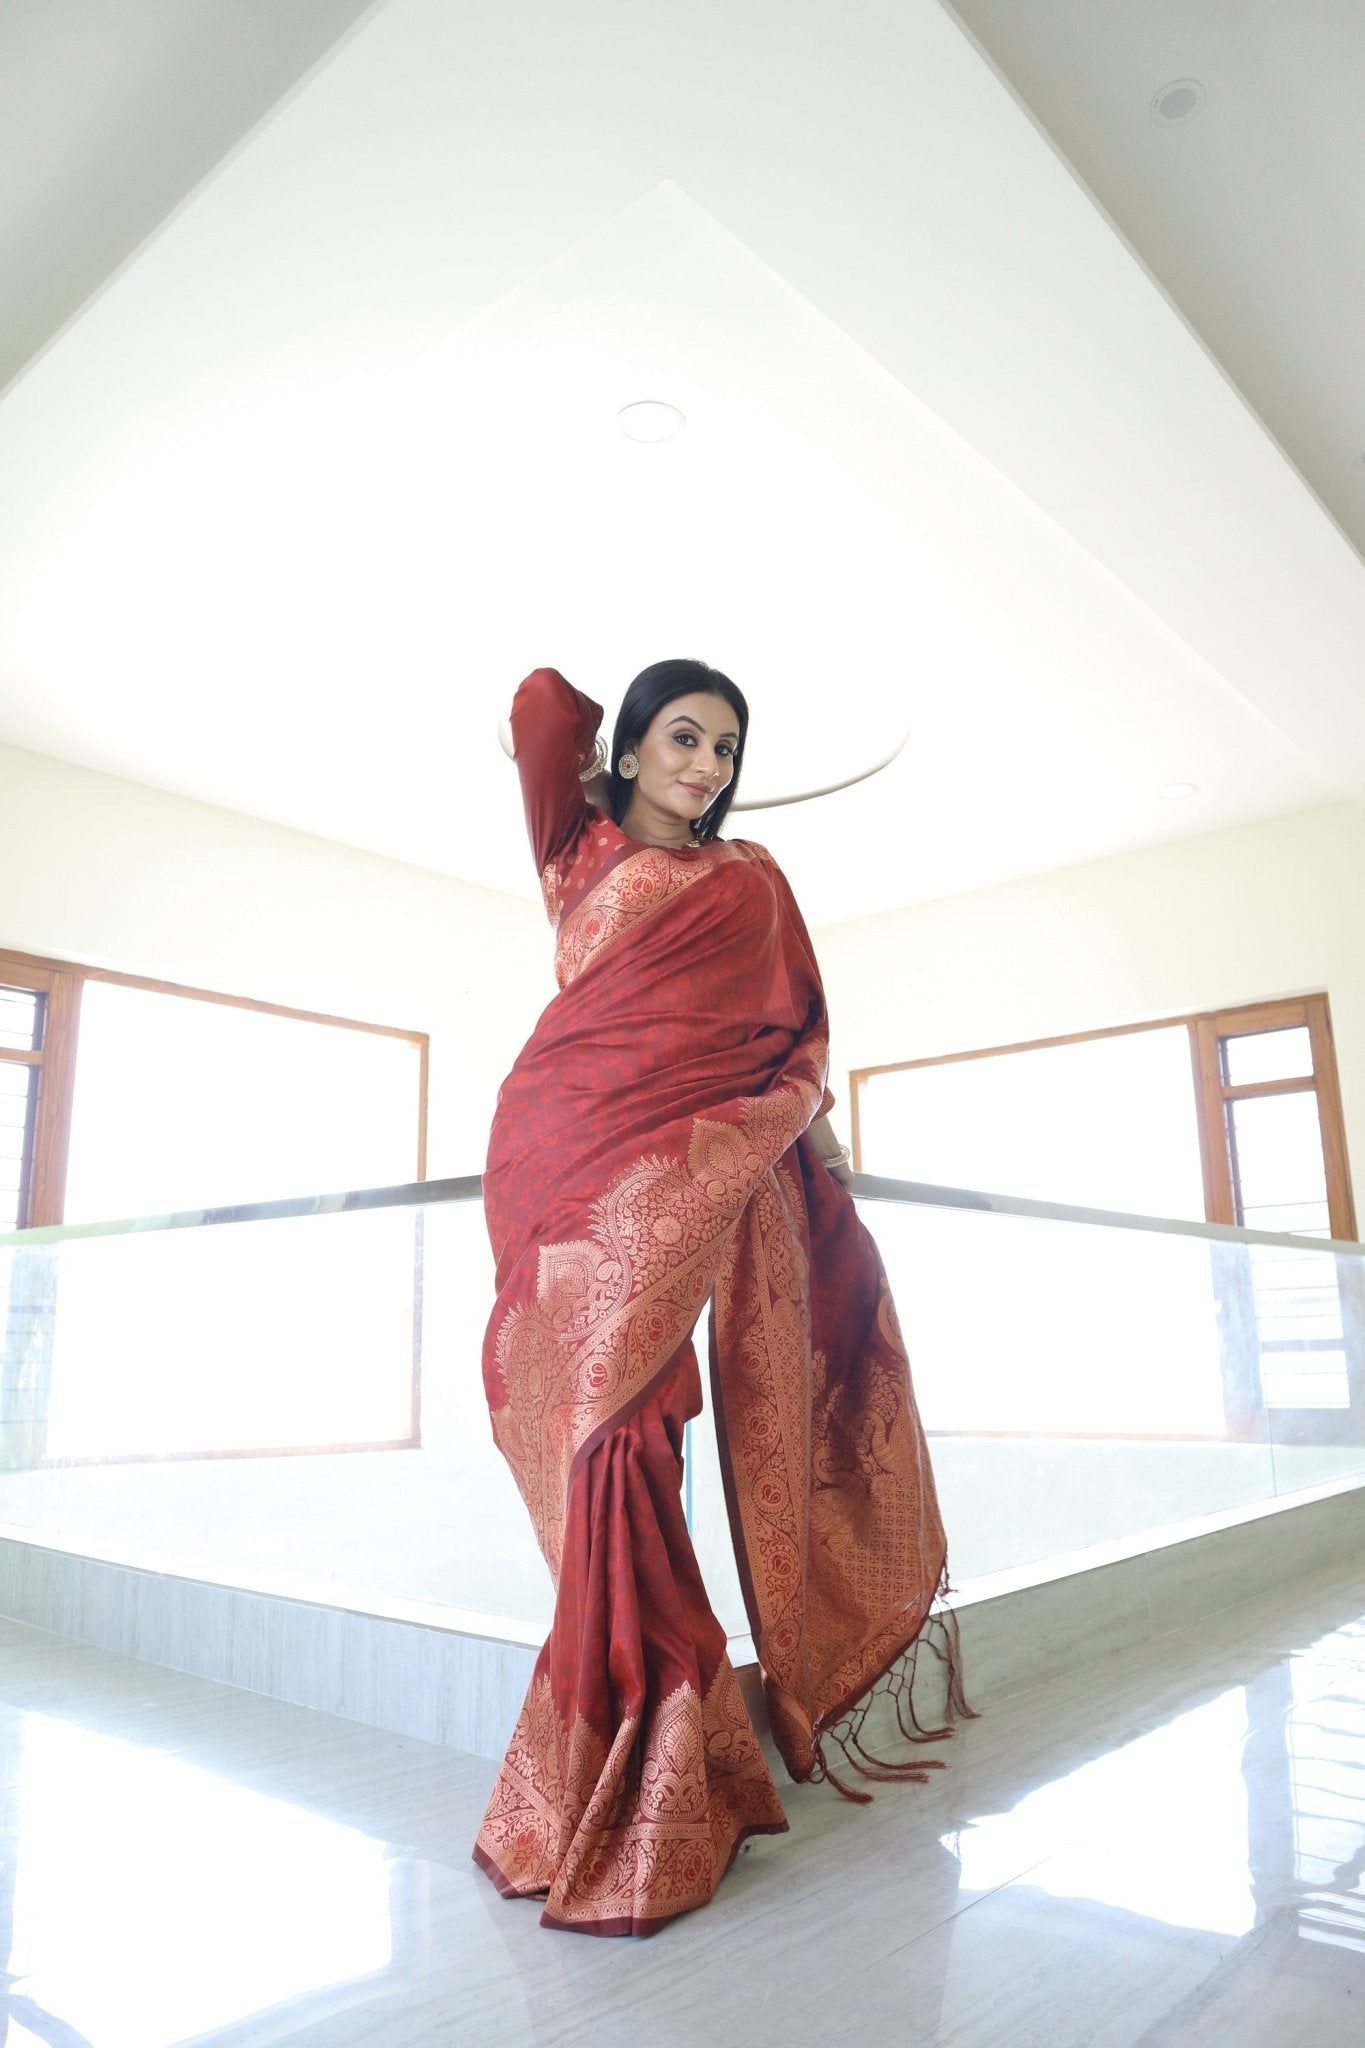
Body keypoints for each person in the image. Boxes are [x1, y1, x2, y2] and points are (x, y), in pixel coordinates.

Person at [473, 661, 964, 1937]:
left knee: (637, 1435)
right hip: (549, 1163)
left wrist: (808, 1125)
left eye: (726, 748)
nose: (706, 765)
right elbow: (537, 702)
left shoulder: (749, 881)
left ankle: (654, 1765)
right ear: (631, 749)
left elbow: (789, 1031)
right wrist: (596, 763)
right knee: (589, 1454)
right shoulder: (572, 851)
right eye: (683, 738)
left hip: (674, 1174)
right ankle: (634, 1766)